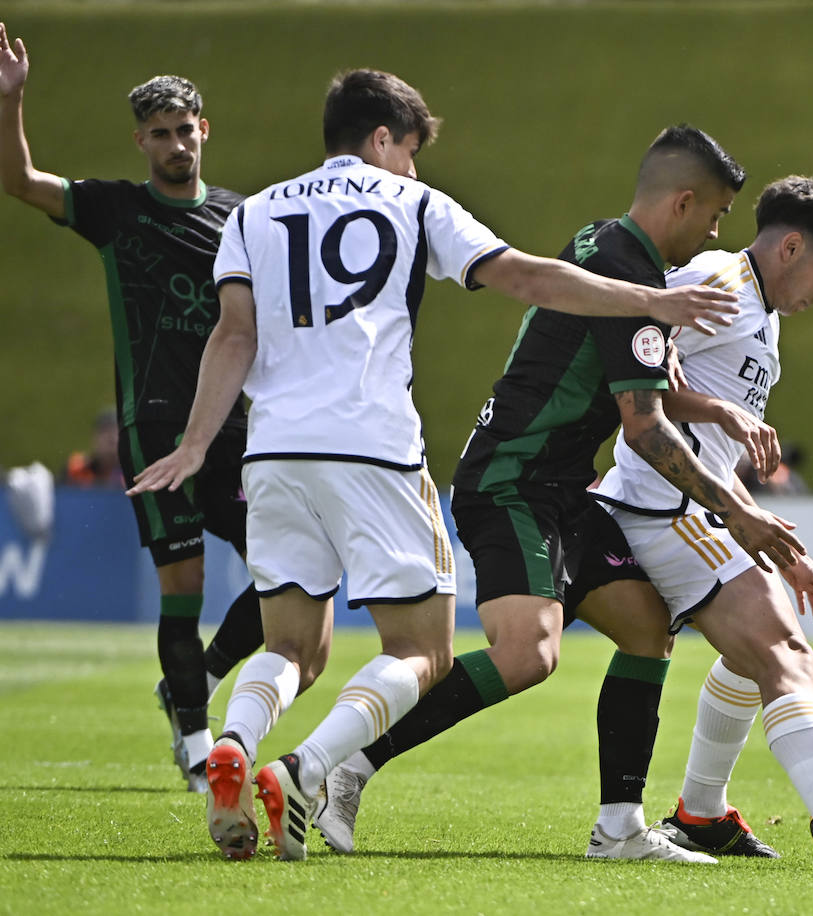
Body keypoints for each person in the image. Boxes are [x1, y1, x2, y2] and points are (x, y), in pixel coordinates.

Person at [128, 74, 741, 862]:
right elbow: (525, 276)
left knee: (288, 648)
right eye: (412, 152)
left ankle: (235, 747)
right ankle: (307, 770)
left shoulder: (252, 211)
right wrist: (646, 302)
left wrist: (194, 444)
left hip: (273, 451)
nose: (415, 169)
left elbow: (232, 339)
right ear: (383, 139)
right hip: (371, 447)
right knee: (423, 651)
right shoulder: (412, 203)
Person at [312, 124, 801, 864]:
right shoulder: (632, 281)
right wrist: (739, 514)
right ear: (685, 200)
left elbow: (650, 380)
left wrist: (719, 408)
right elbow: (645, 431)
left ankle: (620, 830)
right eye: (717, 215)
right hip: (510, 479)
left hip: (563, 487)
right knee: (527, 654)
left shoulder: (604, 247)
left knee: (647, 630)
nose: (716, 231)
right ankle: (346, 769)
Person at [596, 176, 813, 875]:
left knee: (754, 655)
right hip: (663, 505)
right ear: (791, 246)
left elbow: (684, 401)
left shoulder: (760, 306)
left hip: (700, 504)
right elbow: (631, 369)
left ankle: (700, 813)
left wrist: (758, 524)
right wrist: (723, 436)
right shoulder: (717, 281)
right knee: (784, 653)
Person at [0, 23, 265, 792]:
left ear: (204, 130)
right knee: (181, 586)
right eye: (161, 134)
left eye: (186, 130)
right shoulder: (113, 211)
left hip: (236, 427)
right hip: (155, 426)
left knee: (293, 570)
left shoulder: (242, 218)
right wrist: (11, 103)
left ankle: (201, 677)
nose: (177, 144)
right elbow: (20, 181)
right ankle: (193, 736)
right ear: (140, 142)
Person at [62, 407, 123, 488]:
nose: (111, 439)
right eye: (105, 432)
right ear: (94, 438)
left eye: (116, 432)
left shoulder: (133, 472)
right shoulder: (76, 470)